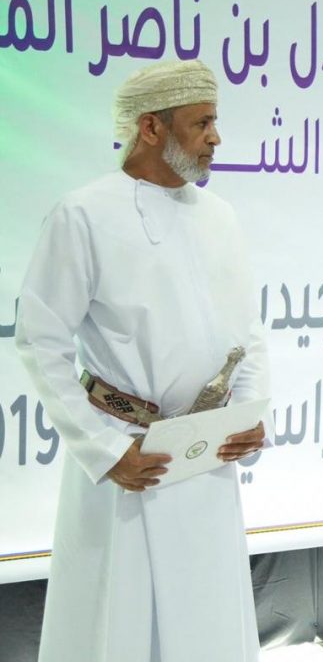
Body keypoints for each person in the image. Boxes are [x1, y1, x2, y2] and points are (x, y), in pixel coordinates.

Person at [15, 59, 269, 662]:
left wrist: (251, 416)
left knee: (208, 629)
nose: (216, 138)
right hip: (130, 460)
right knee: (120, 630)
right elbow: (40, 342)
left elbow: (250, 334)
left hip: (207, 460)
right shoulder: (83, 214)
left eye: (215, 122)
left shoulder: (221, 216)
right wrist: (106, 451)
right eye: (201, 123)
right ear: (151, 127)